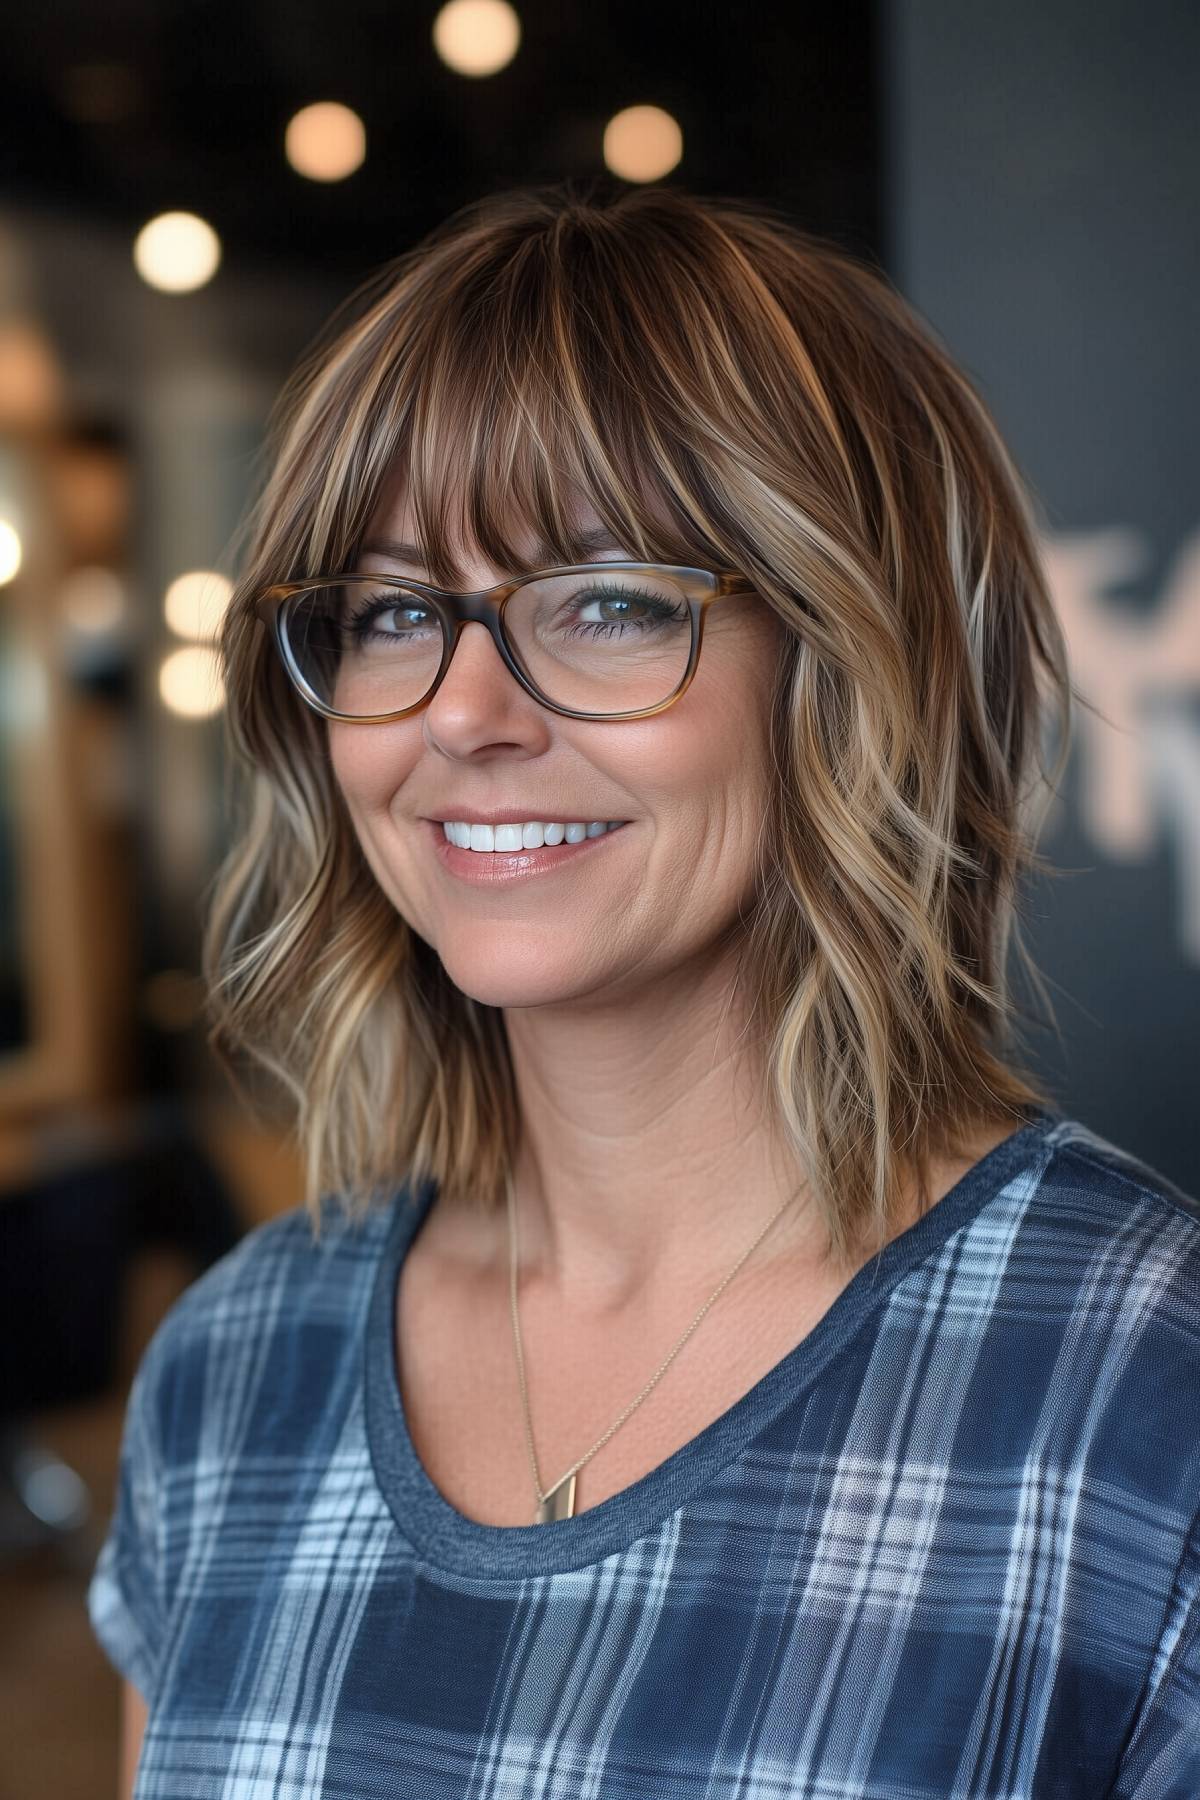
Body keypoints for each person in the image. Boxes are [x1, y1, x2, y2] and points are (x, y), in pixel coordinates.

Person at [88, 181, 1200, 1798]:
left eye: (608, 600)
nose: (464, 711)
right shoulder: (233, 1370)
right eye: (396, 612)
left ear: (850, 659)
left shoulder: (1142, 1385)